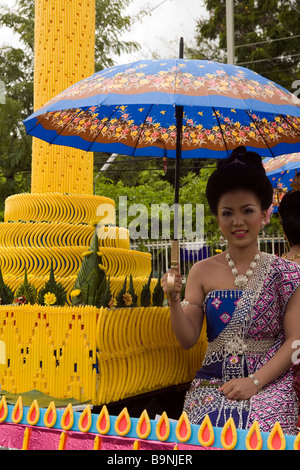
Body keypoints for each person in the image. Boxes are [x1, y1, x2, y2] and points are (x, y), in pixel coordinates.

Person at [162, 146, 300, 435]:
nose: (237, 221)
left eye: (247, 211)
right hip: (212, 384)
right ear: (217, 218)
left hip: (271, 385)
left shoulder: (287, 273)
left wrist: (255, 382)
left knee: (260, 431)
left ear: (265, 213)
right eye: (228, 213)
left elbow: (295, 342)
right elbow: (188, 339)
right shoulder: (201, 271)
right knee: (199, 430)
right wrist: (174, 300)